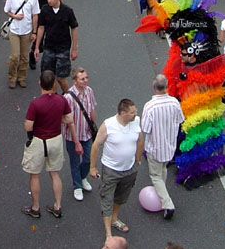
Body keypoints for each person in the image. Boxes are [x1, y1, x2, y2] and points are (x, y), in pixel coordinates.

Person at [21, 69, 73, 220]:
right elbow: (69, 119)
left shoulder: (35, 104)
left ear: (40, 83)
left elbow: (28, 126)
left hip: (38, 140)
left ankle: (35, 207)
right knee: (55, 173)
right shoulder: (62, 101)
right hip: (55, 139)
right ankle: (57, 206)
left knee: (35, 175)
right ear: (54, 84)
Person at [89, 98, 143, 239]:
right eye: (132, 112)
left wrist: (137, 160)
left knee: (121, 197)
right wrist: (92, 167)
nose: (136, 114)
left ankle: (114, 219)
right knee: (107, 199)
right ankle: (108, 234)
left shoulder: (136, 121)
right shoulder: (108, 125)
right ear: (123, 113)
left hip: (129, 169)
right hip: (111, 170)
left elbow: (140, 140)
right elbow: (95, 145)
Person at [140, 74, 184, 220]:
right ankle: (162, 193)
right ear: (166, 87)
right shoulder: (174, 103)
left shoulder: (150, 106)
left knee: (155, 176)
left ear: (154, 87)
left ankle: (167, 203)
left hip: (155, 147)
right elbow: (180, 120)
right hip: (170, 146)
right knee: (163, 169)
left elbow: (145, 129)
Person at [34, 0, 79, 93]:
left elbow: (73, 29)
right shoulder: (44, 10)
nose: (49, 1)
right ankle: (51, 97)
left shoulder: (68, 11)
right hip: (49, 47)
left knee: (61, 77)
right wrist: (36, 47)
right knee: (47, 77)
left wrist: (74, 49)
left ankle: (68, 97)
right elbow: (41, 28)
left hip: (63, 48)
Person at [63, 67, 98, 202]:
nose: (85, 81)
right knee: (75, 161)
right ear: (75, 81)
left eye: (86, 78)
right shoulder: (68, 98)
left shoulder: (89, 91)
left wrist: (95, 129)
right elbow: (69, 121)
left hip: (87, 133)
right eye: (82, 79)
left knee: (89, 159)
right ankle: (77, 185)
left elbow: (92, 111)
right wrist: (76, 142)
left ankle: (82, 177)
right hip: (73, 136)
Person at [4, 0, 39, 89]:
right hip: (14, 30)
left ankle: (21, 77)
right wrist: (15, 16)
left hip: (27, 31)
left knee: (24, 57)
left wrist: (34, 31)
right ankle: (12, 77)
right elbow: (6, 11)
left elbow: (35, 15)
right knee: (15, 56)